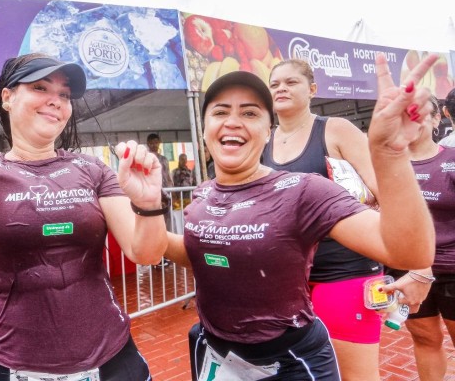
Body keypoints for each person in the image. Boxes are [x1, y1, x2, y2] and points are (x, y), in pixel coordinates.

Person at [0, 3, 167, 379]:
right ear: (7, 97)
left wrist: (150, 204)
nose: (56, 100)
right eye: (40, 87)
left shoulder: (92, 168)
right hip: (12, 366)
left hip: (111, 360)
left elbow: (144, 252)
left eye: (65, 94)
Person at [140, 55, 437, 379]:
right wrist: (147, 206)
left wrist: (391, 155)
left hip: (322, 308)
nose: (233, 121)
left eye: (250, 112)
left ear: (267, 131)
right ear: (205, 128)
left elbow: (407, 250)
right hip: (216, 351)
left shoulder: (305, 187)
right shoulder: (202, 194)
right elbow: (189, 252)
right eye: (220, 112)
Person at [262, 59, 384, 380]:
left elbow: (384, 190)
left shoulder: (336, 130)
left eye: (291, 82)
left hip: (344, 271)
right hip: (289, 284)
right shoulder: (263, 144)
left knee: (354, 376)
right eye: (275, 84)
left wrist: (413, 267)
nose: (281, 89)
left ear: (312, 89)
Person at [382, 95, 455, 380]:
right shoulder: (386, 163)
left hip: (451, 269)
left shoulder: (451, 160)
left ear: (437, 118)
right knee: (425, 339)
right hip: (406, 268)